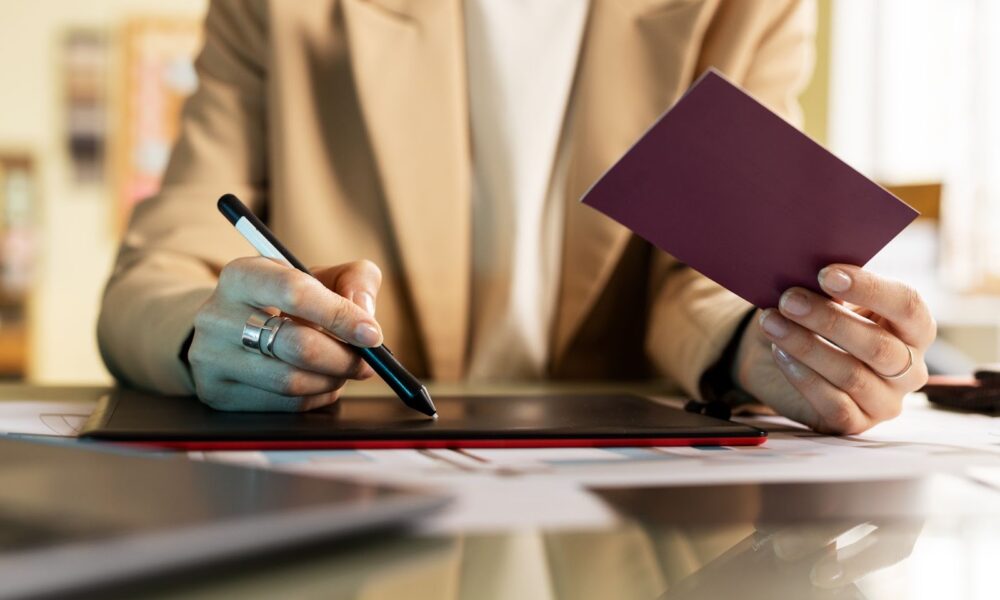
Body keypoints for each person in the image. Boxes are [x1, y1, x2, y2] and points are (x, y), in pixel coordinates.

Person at [98, 0, 935, 435]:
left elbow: (702, 277)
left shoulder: (743, 8)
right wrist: (210, 340)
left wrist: (769, 342)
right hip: (354, 492)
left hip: (637, 519)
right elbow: (151, 280)